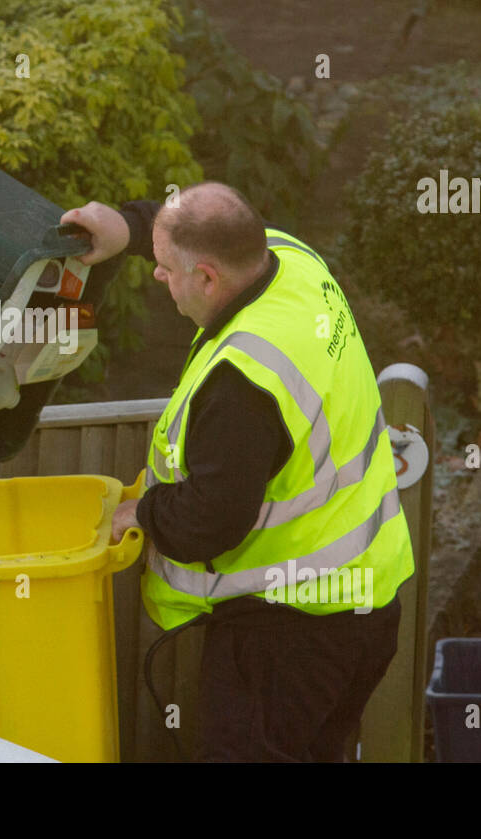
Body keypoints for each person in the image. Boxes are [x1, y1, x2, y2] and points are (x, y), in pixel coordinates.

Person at [60, 182, 414, 762]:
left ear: (206, 279)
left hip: (291, 635)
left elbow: (212, 520)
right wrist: (125, 227)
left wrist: (143, 511)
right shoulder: (291, 260)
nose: (157, 277)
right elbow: (204, 228)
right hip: (364, 604)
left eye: (167, 269)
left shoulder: (244, 381)